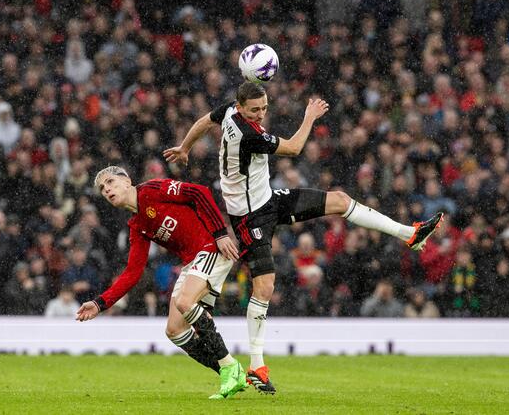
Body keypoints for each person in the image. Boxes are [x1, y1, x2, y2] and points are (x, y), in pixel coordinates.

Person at [164, 81, 444, 393]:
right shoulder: (250, 134)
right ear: (241, 108)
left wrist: (186, 146)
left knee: (338, 199)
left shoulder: (229, 111)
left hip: (268, 200)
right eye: (255, 110)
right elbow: (295, 148)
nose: (261, 114)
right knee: (265, 285)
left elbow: (205, 121)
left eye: (265, 108)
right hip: (247, 217)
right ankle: (257, 365)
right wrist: (309, 116)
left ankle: (410, 233)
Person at [76, 166, 247, 400]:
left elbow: (199, 192)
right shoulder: (137, 226)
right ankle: (229, 372)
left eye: (110, 182)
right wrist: (99, 304)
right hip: (192, 263)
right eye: (103, 189)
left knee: (185, 302)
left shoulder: (152, 189)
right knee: (174, 331)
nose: (107, 189)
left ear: (127, 181)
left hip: (212, 247)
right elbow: (132, 273)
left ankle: (230, 366)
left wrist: (220, 233)